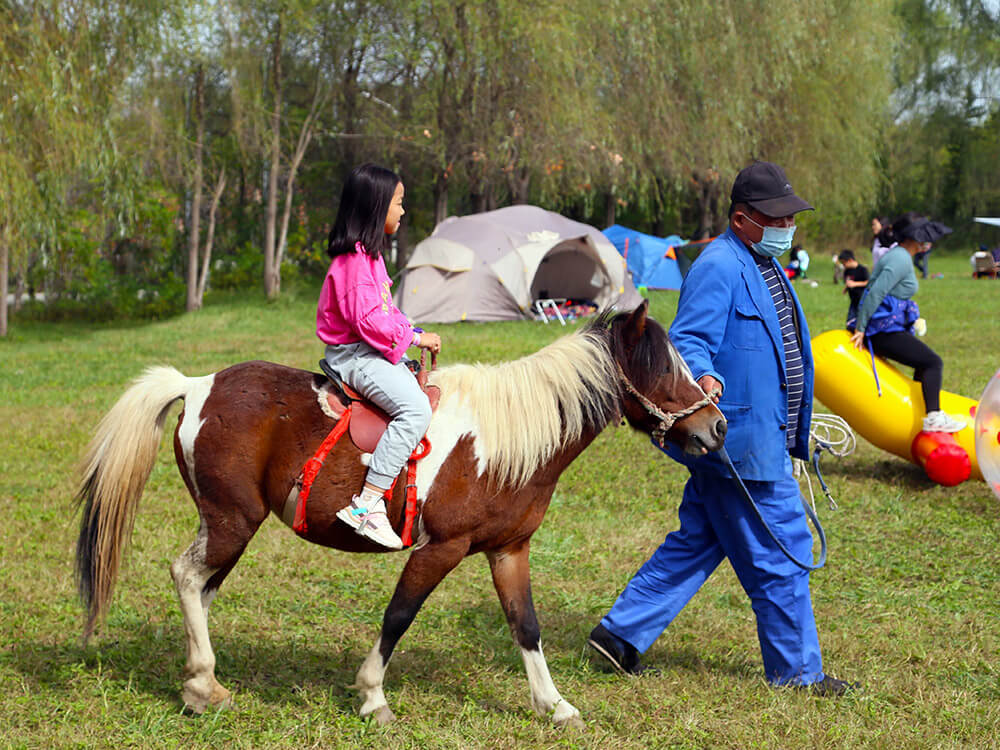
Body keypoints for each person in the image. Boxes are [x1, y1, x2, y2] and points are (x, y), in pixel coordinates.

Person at [587, 161, 856, 696]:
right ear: (741, 219)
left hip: (756, 441)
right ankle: (799, 676)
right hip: (742, 447)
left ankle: (617, 637)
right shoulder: (719, 266)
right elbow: (688, 340)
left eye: (790, 216)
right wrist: (705, 375)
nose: (788, 225)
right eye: (776, 217)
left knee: (698, 542)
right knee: (782, 555)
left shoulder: (763, 262)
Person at [317, 163, 442, 549]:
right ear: (376, 207)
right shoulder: (354, 264)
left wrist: (414, 332)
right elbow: (371, 322)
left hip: (368, 347)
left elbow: (385, 312)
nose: (402, 212)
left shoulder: (370, 258)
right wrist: (415, 341)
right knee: (415, 410)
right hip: (355, 356)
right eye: (398, 203)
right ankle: (367, 505)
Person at [849, 212, 964, 433]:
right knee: (933, 363)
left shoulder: (901, 256)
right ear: (913, 238)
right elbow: (875, 292)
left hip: (888, 328)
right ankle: (933, 417)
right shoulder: (900, 258)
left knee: (924, 363)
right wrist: (861, 329)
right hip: (883, 331)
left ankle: (925, 413)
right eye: (924, 236)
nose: (928, 241)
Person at [838, 249, 869, 326]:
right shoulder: (847, 271)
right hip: (853, 300)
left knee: (861, 321)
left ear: (850, 260)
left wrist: (855, 284)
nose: (843, 265)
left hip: (862, 300)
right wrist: (846, 288)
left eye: (844, 263)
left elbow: (868, 282)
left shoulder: (862, 269)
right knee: (850, 322)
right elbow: (849, 282)